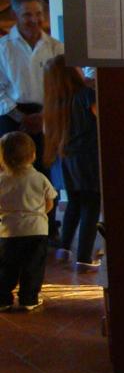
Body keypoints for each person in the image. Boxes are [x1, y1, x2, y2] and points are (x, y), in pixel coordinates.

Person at [0, 0, 64, 242]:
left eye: (38, 14)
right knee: (11, 173)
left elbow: (62, 86)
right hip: (13, 116)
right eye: (27, 14)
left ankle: (46, 229)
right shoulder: (4, 47)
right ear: (16, 14)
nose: (34, 20)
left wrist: (45, 115)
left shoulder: (55, 47)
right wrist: (19, 117)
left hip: (46, 114)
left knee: (45, 172)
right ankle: (11, 230)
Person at [43, 56, 101, 271]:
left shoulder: (54, 102)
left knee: (74, 203)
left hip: (65, 160)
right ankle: (84, 259)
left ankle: (64, 249)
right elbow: (101, 117)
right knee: (91, 205)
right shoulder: (85, 95)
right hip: (87, 158)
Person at [0, 131, 57, 312]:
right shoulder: (40, 178)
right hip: (36, 230)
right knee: (33, 266)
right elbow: (49, 202)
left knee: (6, 267)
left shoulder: (2, 180)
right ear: (33, 155)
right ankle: (28, 298)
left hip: (9, 231)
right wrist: (39, 214)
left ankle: (3, 299)